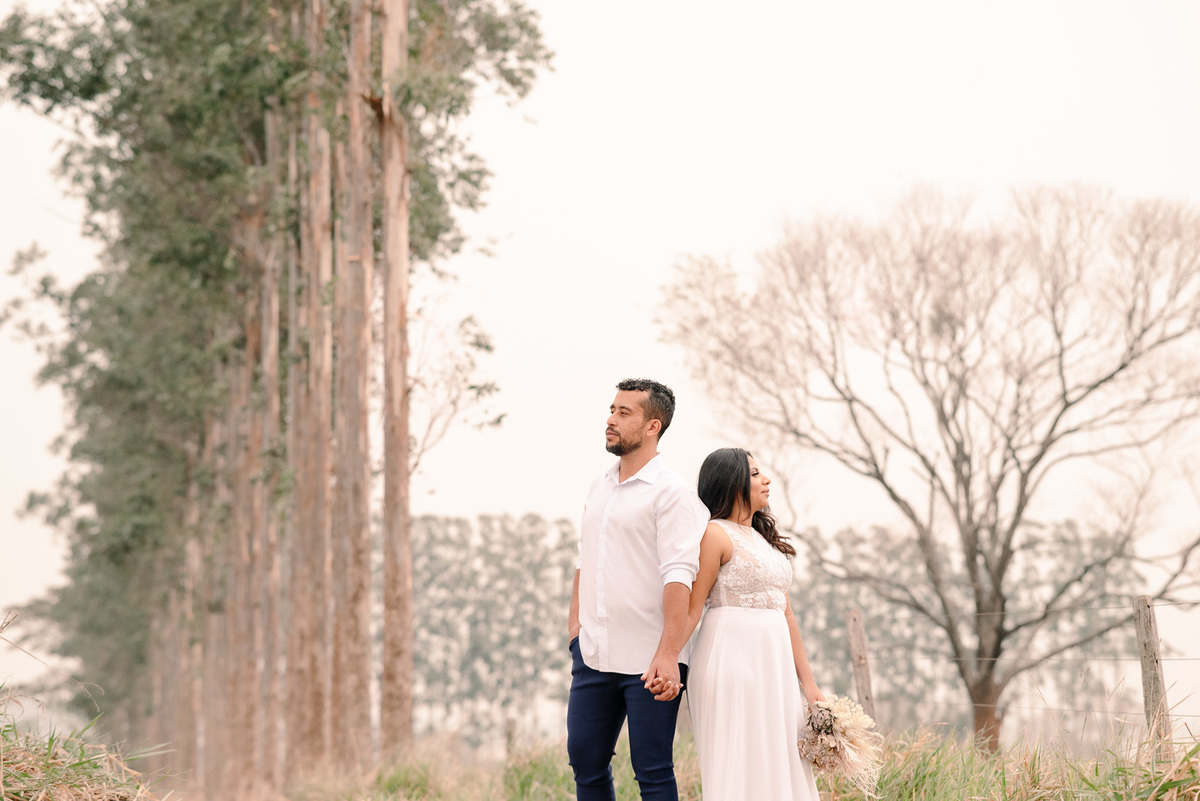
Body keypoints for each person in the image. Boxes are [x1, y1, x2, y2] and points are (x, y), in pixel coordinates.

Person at [567, 378, 710, 801]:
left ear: (653, 426)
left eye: (624, 413)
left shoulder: (674, 494)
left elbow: (679, 576)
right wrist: (575, 629)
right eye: (612, 410)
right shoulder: (600, 485)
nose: (611, 420)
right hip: (592, 654)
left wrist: (668, 655)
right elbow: (584, 558)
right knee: (585, 762)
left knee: (651, 770)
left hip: (651, 662)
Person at [680, 447, 825, 800]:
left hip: (774, 668)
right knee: (743, 762)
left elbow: (785, 612)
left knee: (781, 761)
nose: (766, 479)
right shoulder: (714, 534)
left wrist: (810, 685)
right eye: (756, 473)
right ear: (732, 482)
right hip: (731, 661)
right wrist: (667, 657)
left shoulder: (763, 540)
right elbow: (692, 608)